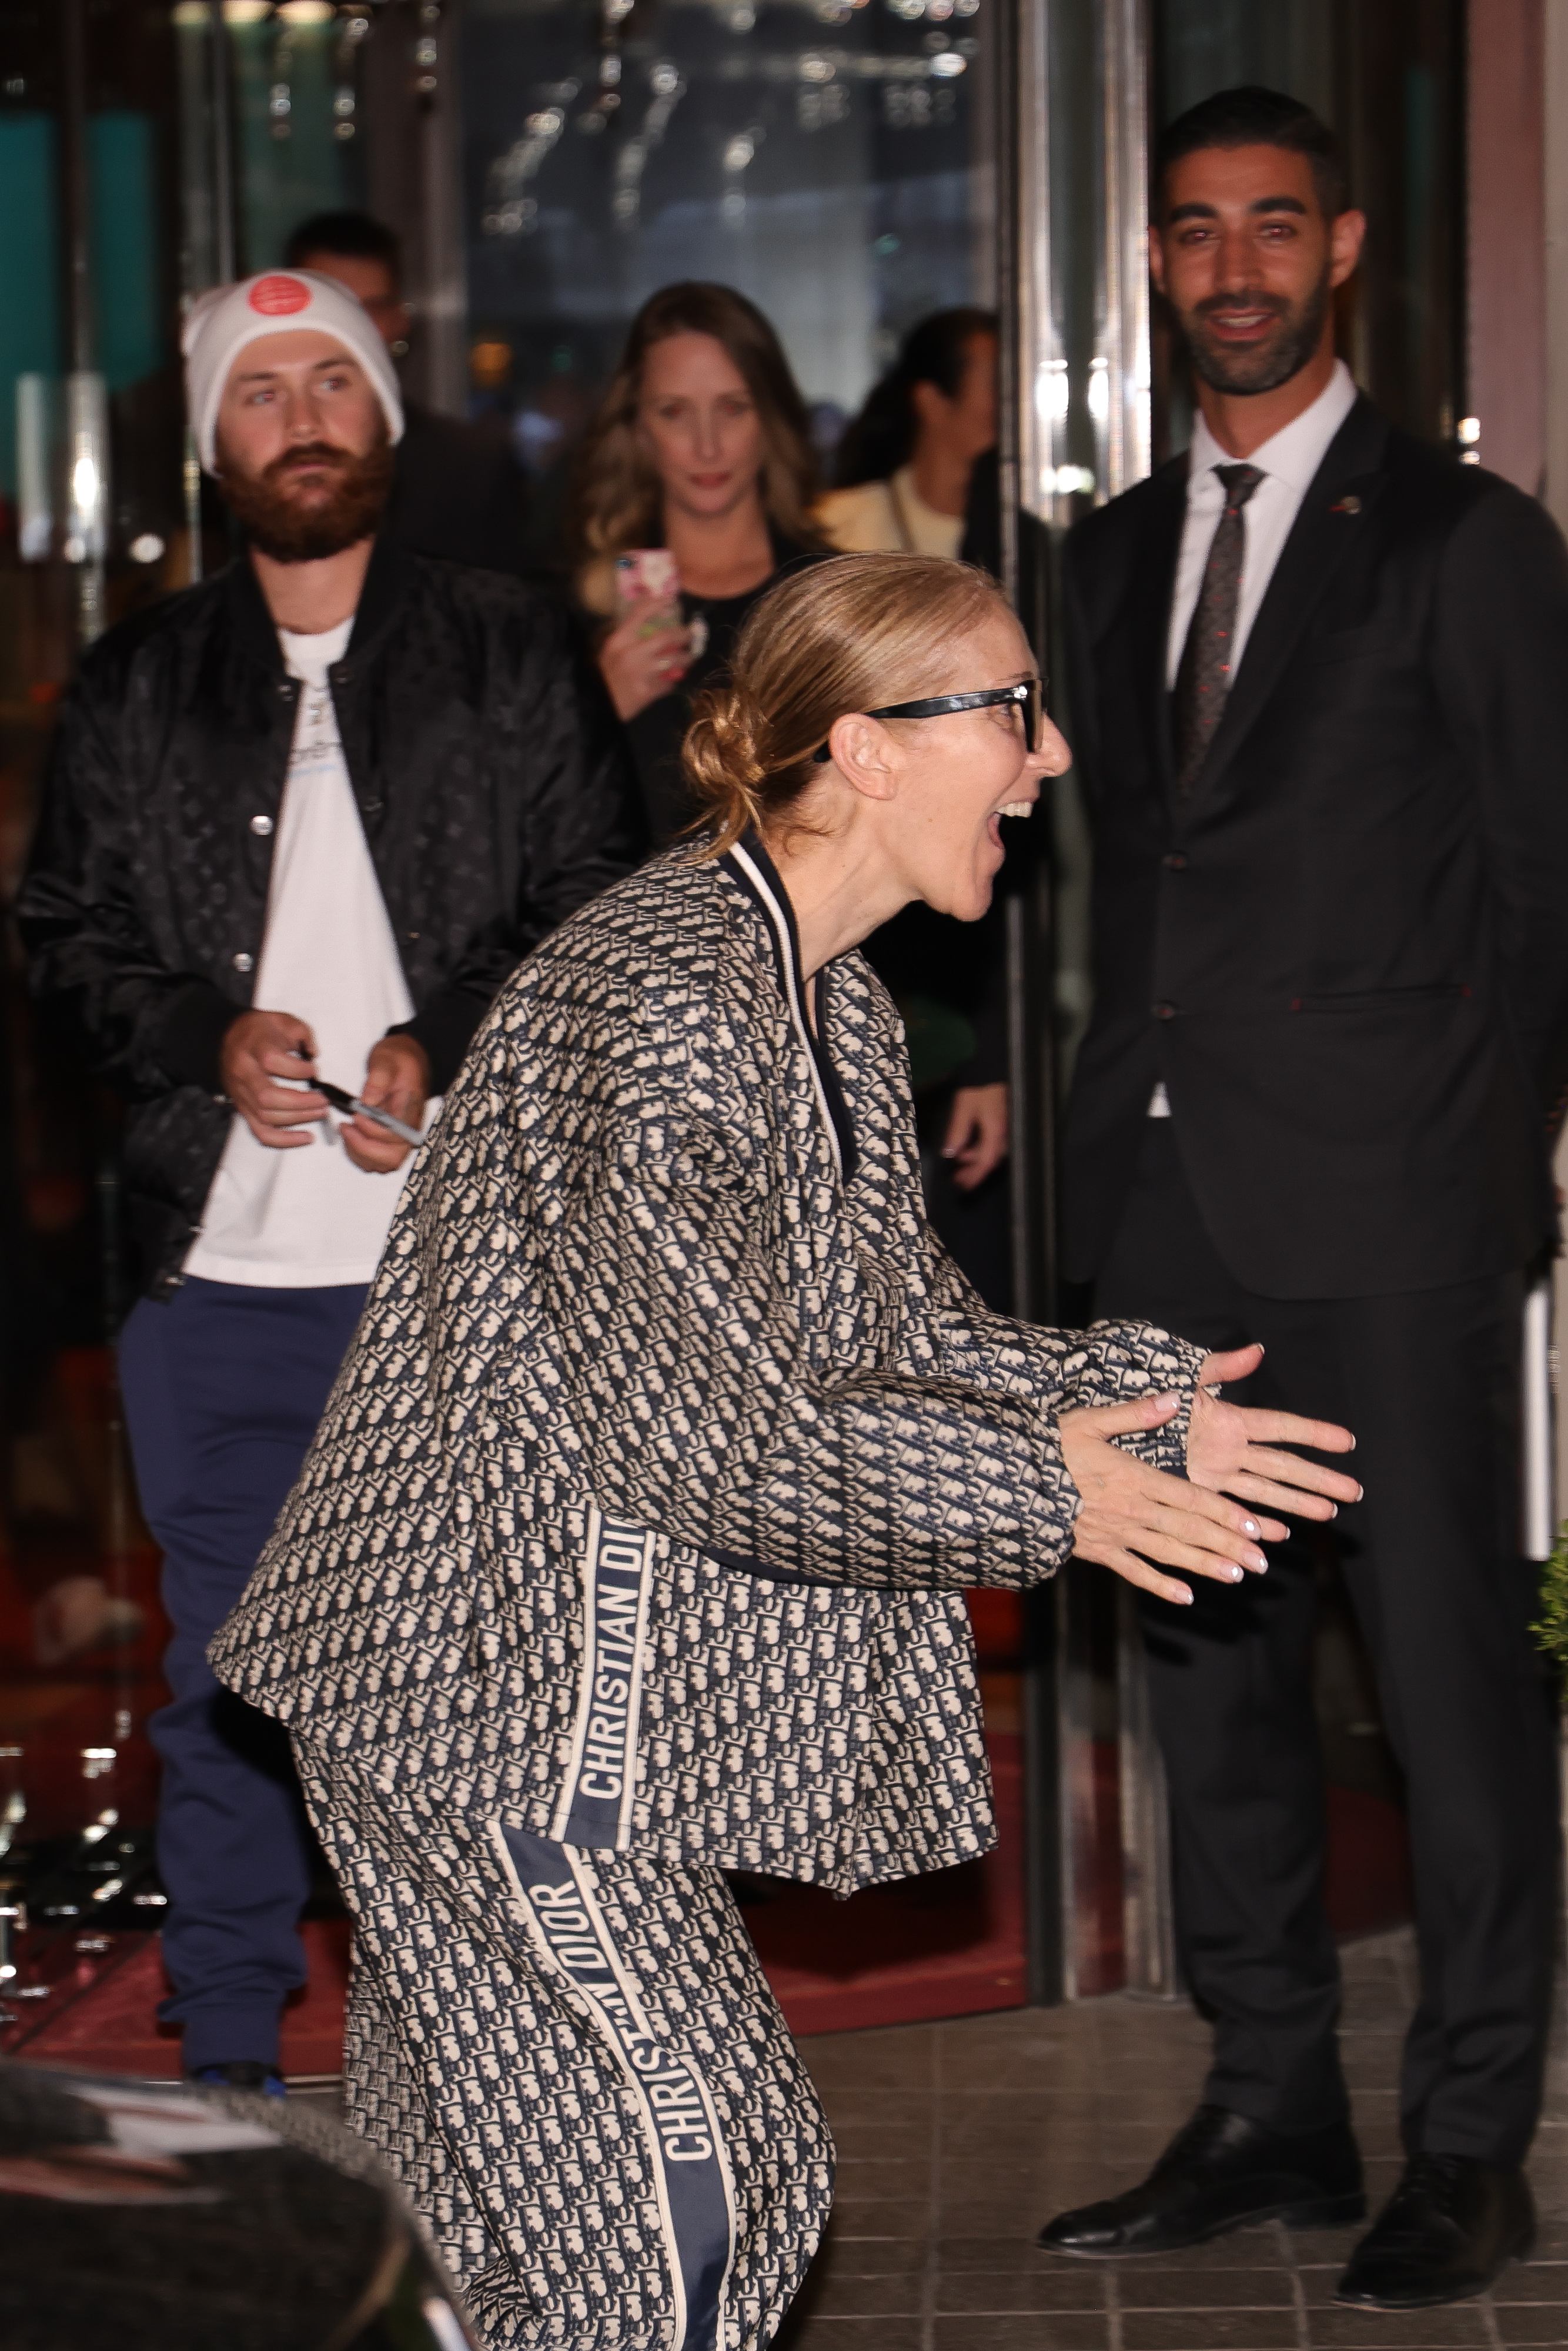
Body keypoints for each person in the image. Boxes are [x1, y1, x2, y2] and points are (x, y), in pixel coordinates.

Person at [208, 550, 1358, 2347]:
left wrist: (1137, 1397)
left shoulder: (829, 1001)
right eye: (1010, 712)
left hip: (541, 1715)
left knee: (535, 2256)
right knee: (687, 2214)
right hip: (486, 1704)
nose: (1046, 760)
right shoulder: (665, 1002)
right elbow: (723, 1438)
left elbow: (891, 1334)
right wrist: (1059, 1493)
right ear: (868, 748)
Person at [1041, 85, 1568, 2312]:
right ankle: (1271, 2100)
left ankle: (1470, 2140)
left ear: (1341, 250)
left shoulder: (1460, 542)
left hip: (1402, 1224)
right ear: (1153, 266)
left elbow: (1547, 879)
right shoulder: (1092, 555)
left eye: (1273, 228)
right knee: (1213, 1696)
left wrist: (1490, 1177)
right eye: (1192, 233)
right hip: (1165, 1214)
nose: (1232, 268)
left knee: (1447, 1701)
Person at [18, 266, 641, 2096]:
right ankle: (233, 2071)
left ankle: (492, 2068)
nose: (302, 417)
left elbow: (597, 893)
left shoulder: (509, 645)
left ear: (385, 418)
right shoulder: (137, 682)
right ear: (216, 445)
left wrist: (442, 1028)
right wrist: (202, 1036)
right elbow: (63, 939)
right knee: (229, 1697)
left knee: (490, 1697)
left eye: (333, 384)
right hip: (216, 1282)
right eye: (261, 393)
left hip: (469, 1273)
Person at [570, 280, 829, 847]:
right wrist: (596, 706)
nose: (707, 446)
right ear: (638, 429)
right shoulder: (573, 614)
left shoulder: (831, 605)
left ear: (770, 419)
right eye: (674, 413)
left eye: (732, 408)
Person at [284, 210, 531, 575]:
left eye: (372, 310)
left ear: (400, 321)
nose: (354, 332)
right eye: (334, 311)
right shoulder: (253, 457)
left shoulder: (471, 468)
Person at [816, 306, 998, 559]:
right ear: (931, 401)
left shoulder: (1025, 535)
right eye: (998, 386)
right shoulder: (835, 528)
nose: (1014, 406)